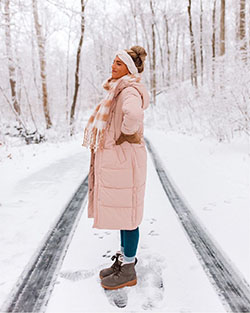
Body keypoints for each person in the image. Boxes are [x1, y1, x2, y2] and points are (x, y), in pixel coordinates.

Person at [82, 45, 150, 290]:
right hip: (123, 161)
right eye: (113, 61)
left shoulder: (128, 90)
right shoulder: (119, 89)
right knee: (125, 214)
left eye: (119, 63)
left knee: (129, 216)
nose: (113, 66)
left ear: (129, 69)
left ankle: (129, 269)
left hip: (126, 161)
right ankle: (124, 260)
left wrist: (126, 134)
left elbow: (133, 114)